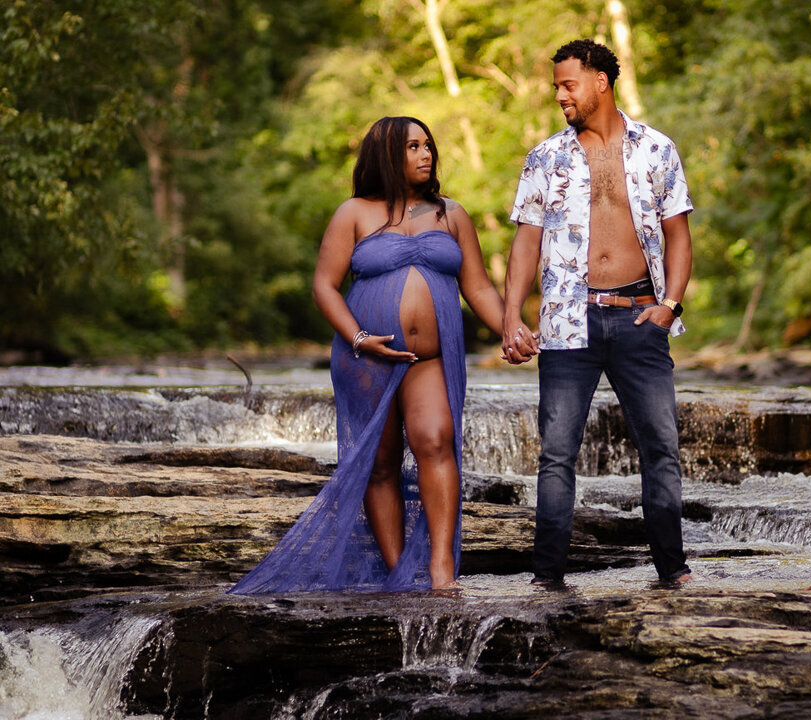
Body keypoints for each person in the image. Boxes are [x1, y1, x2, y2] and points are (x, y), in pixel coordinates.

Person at [231, 116, 505, 593]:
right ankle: (399, 572)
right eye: (413, 147)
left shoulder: (451, 213)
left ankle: (441, 569)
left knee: (435, 441)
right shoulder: (353, 212)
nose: (426, 154)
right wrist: (358, 337)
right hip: (365, 357)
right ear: (386, 155)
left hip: (429, 359)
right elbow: (324, 286)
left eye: (428, 145)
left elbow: (478, 286)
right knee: (380, 463)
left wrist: (511, 330)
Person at [502, 39, 693, 586]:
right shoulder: (544, 157)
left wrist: (669, 305)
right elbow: (526, 243)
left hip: (640, 315)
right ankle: (547, 578)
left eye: (569, 84)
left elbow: (679, 236)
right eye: (556, 86)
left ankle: (673, 571)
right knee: (557, 454)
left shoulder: (656, 149)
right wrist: (511, 317)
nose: (560, 95)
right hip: (568, 319)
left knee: (661, 448)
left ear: (600, 82)